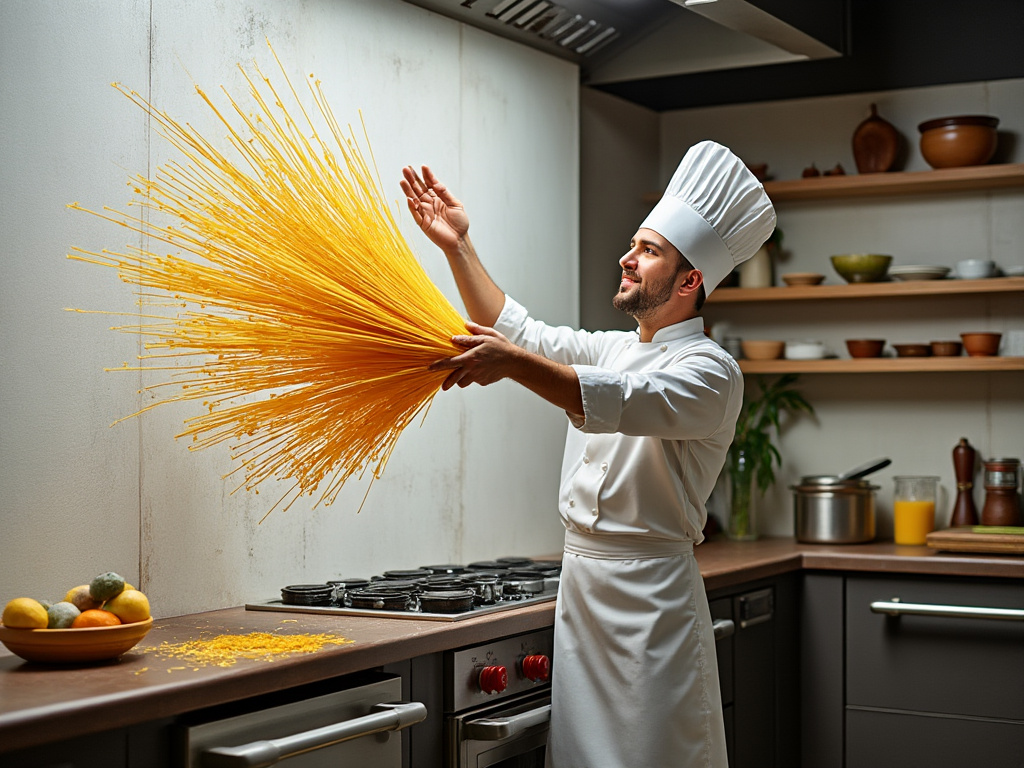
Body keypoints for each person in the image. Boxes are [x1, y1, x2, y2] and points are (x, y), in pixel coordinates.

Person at [401, 140, 776, 768]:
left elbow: (617, 399)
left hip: (653, 608)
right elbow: (520, 333)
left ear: (691, 280)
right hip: (582, 593)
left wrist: (514, 365)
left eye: (648, 251)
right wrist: (458, 247)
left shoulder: (712, 372)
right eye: (634, 245)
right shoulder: (615, 347)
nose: (626, 259)